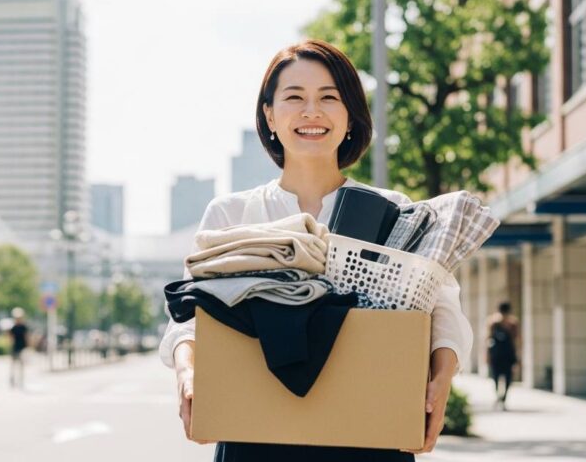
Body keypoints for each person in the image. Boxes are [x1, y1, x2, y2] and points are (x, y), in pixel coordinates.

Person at [159, 40, 474, 461]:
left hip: (369, 438)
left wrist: (442, 377)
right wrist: (187, 372)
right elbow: (188, 317)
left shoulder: (394, 213)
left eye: (329, 97)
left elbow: (442, 305)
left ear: (350, 118)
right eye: (294, 98)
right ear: (269, 115)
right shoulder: (232, 214)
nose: (312, 112)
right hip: (254, 439)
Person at [486, 301, 520, 410]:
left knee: (504, 378)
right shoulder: (494, 322)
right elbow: (517, 341)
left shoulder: (512, 323)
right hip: (501, 355)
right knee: (499, 377)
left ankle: (502, 398)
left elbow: (517, 340)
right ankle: (500, 397)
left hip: (503, 355)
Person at [8, 307, 29, 389]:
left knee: (21, 365)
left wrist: (29, 347)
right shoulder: (13, 327)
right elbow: (10, 338)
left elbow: (27, 337)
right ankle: (12, 379)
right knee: (13, 365)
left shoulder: (23, 327)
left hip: (22, 348)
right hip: (15, 347)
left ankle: (20, 380)